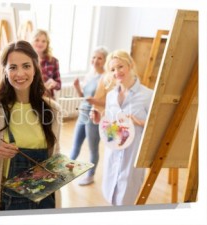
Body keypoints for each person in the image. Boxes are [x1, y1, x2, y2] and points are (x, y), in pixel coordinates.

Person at [0, 40, 62, 211]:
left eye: (26, 66)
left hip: (46, 197)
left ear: (35, 68)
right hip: (12, 200)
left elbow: (56, 156)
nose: (20, 73)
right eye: (13, 67)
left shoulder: (53, 110)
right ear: (5, 71)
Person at [100, 50, 153, 205]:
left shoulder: (148, 95)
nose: (117, 72)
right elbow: (110, 123)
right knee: (110, 193)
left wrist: (139, 123)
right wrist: (100, 119)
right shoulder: (110, 96)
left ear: (130, 65)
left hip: (133, 154)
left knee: (126, 197)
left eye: (120, 66)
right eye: (112, 69)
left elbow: (156, 128)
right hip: (113, 150)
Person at [69, 46, 109, 186]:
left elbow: (108, 102)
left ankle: (90, 176)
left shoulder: (106, 78)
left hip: (94, 116)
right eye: (94, 57)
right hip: (83, 114)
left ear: (105, 60)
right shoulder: (90, 74)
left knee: (93, 148)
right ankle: (66, 171)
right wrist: (77, 87)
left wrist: (93, 102)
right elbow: (83, 97)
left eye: (99, 58)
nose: (95, 60)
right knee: (75, 145)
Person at [31, 29, 61, 99]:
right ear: (32, 42)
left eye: (43, 41)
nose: (40, 43)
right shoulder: (27, 61)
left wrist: (54, 83)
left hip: (48, 99)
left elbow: (59, 85)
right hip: (32, 98)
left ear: (47, 44)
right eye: (37, 40)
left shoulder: (54, 61)